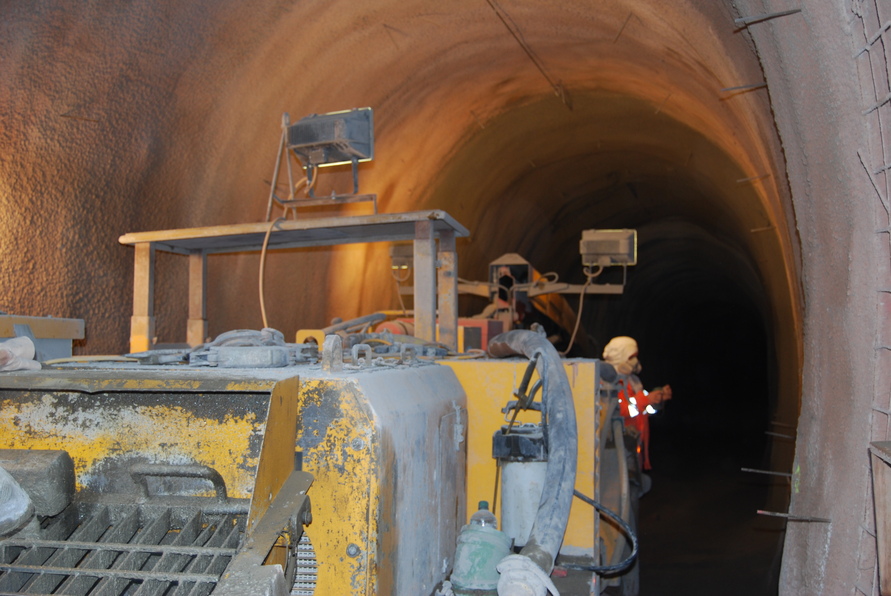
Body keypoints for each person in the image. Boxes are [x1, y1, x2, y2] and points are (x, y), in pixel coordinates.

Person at [602, 336, 671, 471]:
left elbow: (644, 409)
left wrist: (657, 399)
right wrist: (645, 400)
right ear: (620, 356)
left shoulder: (633, 381)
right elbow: (616, 411)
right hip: (616, 447)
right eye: (631, 357)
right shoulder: (606, 382)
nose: (635, 361)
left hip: (633, 445)